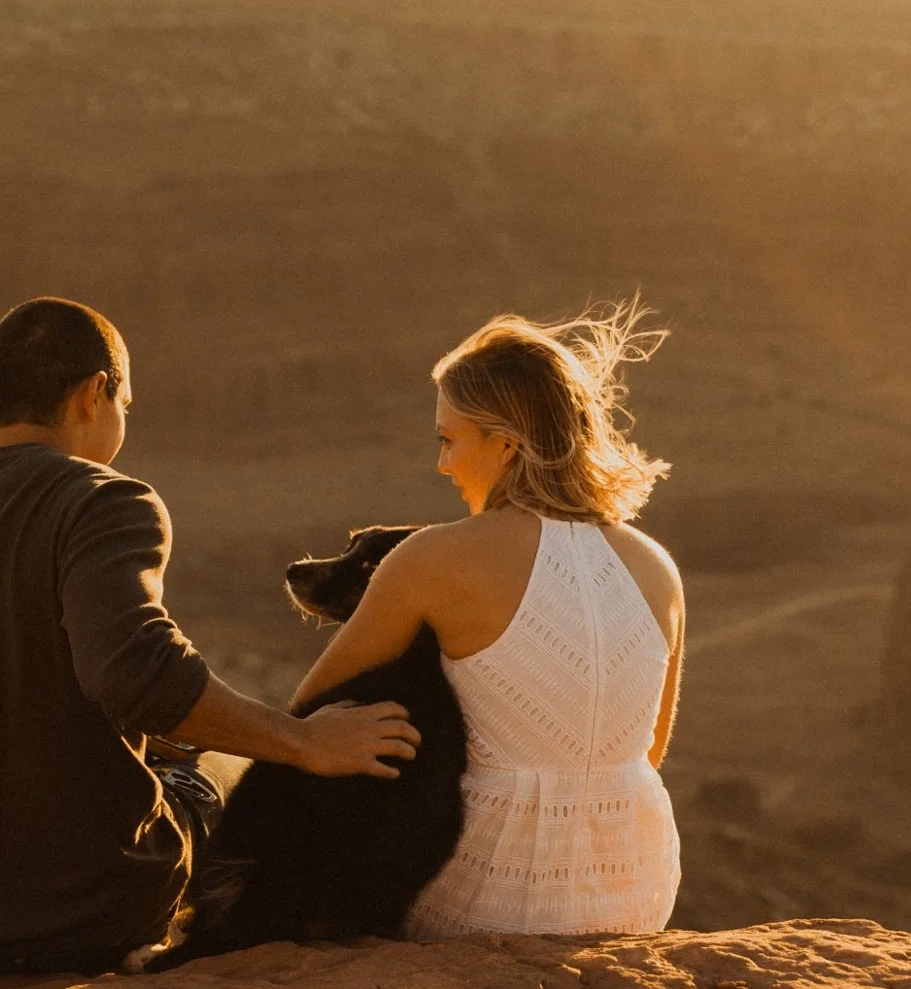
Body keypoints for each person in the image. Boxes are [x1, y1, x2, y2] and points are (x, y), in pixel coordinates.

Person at [0, 296, 420, 974]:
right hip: (92, 907)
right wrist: (308, 741)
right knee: (232, 766)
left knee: (172, 749)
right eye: (126, 406)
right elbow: (134, 672)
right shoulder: (102, 499)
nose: (122, 423)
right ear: (95, 392)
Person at [290, 301, 685, 938]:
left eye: (449, 441)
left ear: (505, 445)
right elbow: (651, 750)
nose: (442, 464)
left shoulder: (432, 558)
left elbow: (306, 724)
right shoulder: (655, 565)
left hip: (484, 892)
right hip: (636, 886)